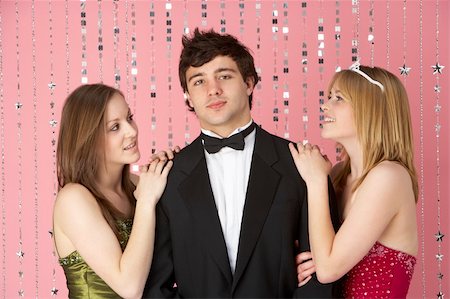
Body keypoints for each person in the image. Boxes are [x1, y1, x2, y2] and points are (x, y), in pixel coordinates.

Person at [143, 28, 338, 298]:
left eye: (224, 76)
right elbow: (155, 285)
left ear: (249, 83)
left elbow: (321, 280)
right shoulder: (166, 176)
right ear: (187, 95)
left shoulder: (302, 166)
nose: (213, 90)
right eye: (199, 81)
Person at [289, 62, 418, 298]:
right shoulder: (338, 175)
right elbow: (320, 253)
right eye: (329, 97)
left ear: (372, 109)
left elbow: (328, 270)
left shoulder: (389, 177)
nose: (325, 106)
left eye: (338, 98)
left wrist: (316, 181)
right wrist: (296, 266)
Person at [53, 83, 174, 298]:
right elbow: (129, 288)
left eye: (129, 118)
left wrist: (173, 172)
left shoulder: (140, 185)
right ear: (87, 139)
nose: (132, 131)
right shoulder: (73, 198)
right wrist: (146, 201)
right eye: (114, 127)